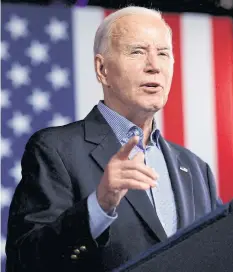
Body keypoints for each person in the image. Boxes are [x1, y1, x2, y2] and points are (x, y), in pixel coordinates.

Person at [6, 6, 221, 272]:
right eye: (137, 52)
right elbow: (25, 261)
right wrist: (99, 206)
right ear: (102, 69)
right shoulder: (55, 150)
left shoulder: (197, 170)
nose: (154, 66)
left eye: (163, 53)